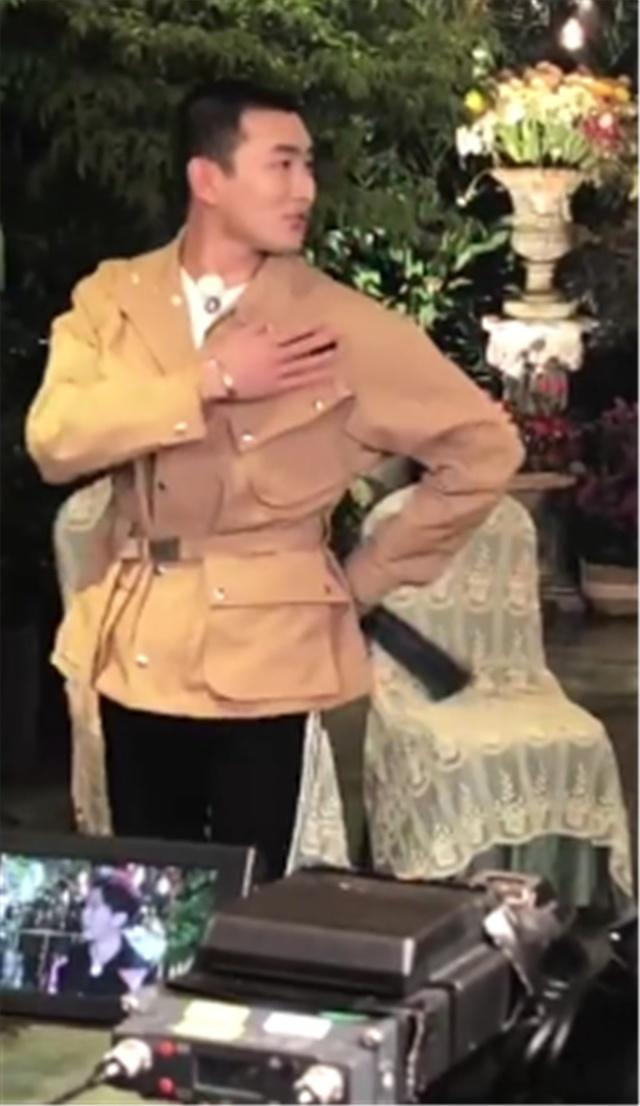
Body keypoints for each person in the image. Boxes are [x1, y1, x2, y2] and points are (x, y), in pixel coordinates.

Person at [26, 79, 523, 879]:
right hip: (135, 645)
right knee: (148, 897)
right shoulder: (114, 298)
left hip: (268, 652)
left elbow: (485, 449)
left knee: (249, 905)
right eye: (282, 164)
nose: (305, 190)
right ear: (207, 178)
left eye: (308, 166)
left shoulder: (342, 325)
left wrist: (364, 577)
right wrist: (208, 380)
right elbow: (55, 441)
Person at [55, 875, 152, 997]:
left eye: (94, 907)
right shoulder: (71, 957)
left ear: (118, 919)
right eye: (85, 906)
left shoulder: (137, 971)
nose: (85, 914)